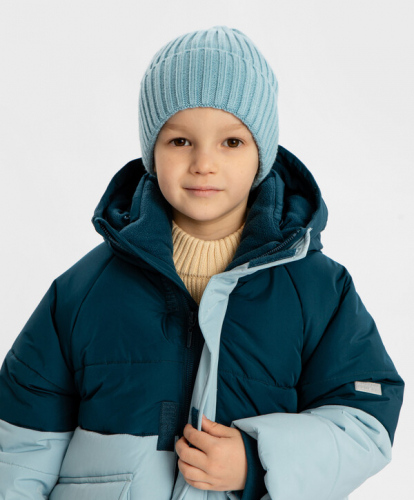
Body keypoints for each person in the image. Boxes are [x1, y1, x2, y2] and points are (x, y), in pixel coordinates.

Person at [0, 25, 404, 500]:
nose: (203, 163)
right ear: (152, 151)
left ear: (262, 153)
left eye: (231, 142)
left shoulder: (318, 289)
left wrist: (260, 461)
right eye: (180, 141)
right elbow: (20, 446)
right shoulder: (83, 291)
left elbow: (364, 423)